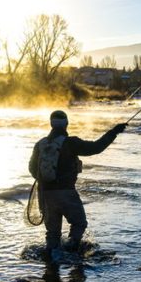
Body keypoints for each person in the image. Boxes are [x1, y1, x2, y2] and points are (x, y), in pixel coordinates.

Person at [29, 110, 127, 257]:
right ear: (66, 124)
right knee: (79, 223)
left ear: (51, 124)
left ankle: (51, 263)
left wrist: (47, 181)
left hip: (45, 193)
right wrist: (114, 132)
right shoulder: (71, 143)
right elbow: (96, 147)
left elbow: (31, 168)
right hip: (66, 193)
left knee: (52, 233)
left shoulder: (40, 144)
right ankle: (72, 251)